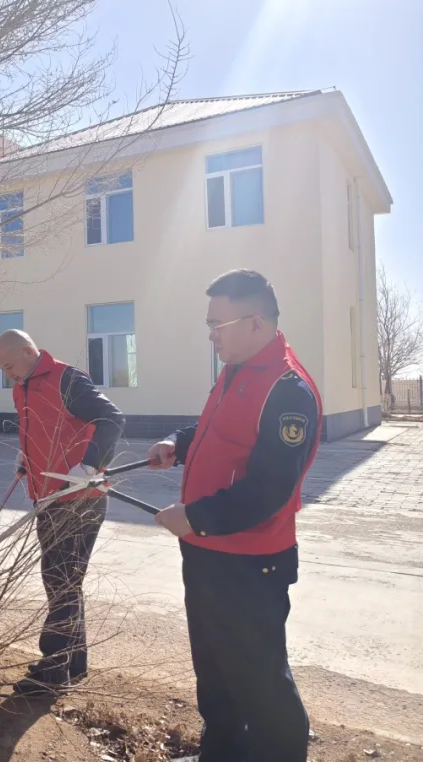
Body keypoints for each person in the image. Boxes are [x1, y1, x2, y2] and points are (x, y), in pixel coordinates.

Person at [148, 270, 321, 762]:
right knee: (214, 672)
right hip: (207, 553)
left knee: (260, 682)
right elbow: (217, 431)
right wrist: (177, 444)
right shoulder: (237, 370)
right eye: (209, 325)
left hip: (249, 563)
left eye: (217, 325)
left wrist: (195, 517)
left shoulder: (288, 390)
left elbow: (270, 490)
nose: (211, 336)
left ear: (257, 322)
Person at [0, 329, 125, 696]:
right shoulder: (22, 387)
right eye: (1, 370)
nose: (7, 376)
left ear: (29, 351)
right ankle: (72, 663)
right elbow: (42, 429)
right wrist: (27, 456)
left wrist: (90, 465)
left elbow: (111, 419)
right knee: (65, 581)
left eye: (9, 366)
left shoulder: (66, 379)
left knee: (60, 579)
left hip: (79, 498)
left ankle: (52, 670)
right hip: (48, 498)